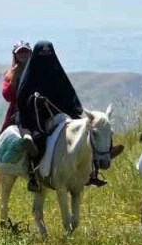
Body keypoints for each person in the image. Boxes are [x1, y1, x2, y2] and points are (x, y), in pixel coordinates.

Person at [15, 41, 106, 190]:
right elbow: (22, 98)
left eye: (48, 54)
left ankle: (92, 172)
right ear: (36, 56)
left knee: (85, 135)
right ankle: (34, 176)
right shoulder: (30, 75)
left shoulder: (57, 72)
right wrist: (35, 101)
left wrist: (75, 108)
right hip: (37, 118)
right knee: (37, 140)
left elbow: (69, 94)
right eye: (42, 54)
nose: (46, 57)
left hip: (62, 115)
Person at [1, 41, 33, 131]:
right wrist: (14, 76)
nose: (23, 54)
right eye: (20, 52)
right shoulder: (10, 75)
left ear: (30, 53)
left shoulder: (37, 71)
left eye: (25, 51)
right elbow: (8, 97)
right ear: (15, 55)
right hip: (17, 110)